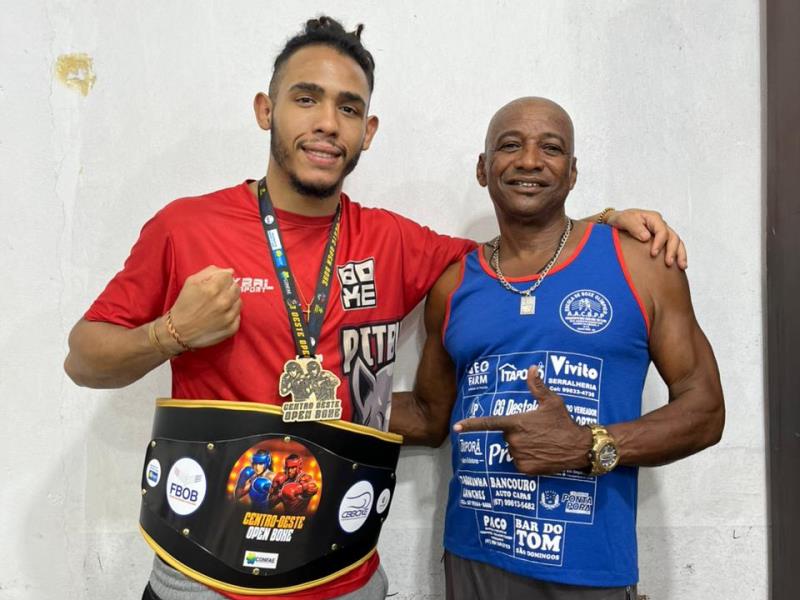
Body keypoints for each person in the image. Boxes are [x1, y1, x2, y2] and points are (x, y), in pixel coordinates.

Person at [64, 16, 687, 600]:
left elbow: (517, 254)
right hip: (202, 570)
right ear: (266, 110)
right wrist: (172, 332)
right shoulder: (186, 227)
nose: (328, 123)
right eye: (306, 98)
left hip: (345, 574)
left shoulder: (396, 242)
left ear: (369, 130)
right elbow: (84, 358)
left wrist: (600, 227)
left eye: (349, 107)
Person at [389, 97, 724, 599]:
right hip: (474, 560)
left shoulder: (641, 263)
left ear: (572, 172)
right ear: (483, 169)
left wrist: (586, 446)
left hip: (589, 574)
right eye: (509, 146)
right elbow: (427, 415)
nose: (529, 160)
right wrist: (310, 402)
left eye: (551, 148)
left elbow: (706, 411)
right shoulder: (455, 284)